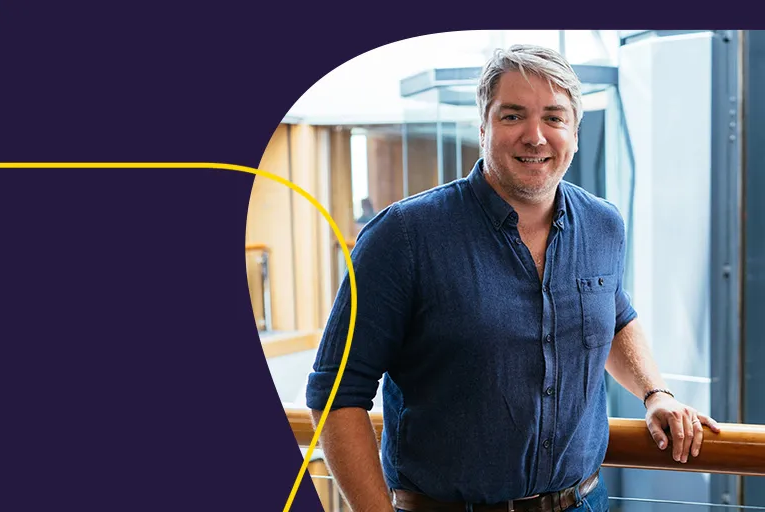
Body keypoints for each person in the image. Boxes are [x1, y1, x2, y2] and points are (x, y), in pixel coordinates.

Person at [306, 44, 720, 512]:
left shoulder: (604, 225)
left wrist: (654, 393)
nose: (536, 136)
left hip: (583, 502)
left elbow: (614, 316)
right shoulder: (404, 236)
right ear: (482, 126)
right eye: (513, 116)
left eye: (555, 118)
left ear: (575, 133)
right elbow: (335, 395)